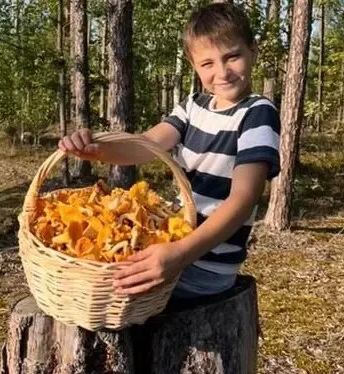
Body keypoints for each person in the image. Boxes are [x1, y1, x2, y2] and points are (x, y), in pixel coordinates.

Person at [58, 3, 280, 299]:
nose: (222, 72)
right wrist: (96, 149)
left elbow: (243, 199)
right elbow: (145, 146)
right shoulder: (193, 106)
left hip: (205, 265)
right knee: (85, 268)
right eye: (208, 63)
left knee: (101, 294)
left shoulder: (257, 113)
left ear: (253, 51)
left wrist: (180, 255)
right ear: (194, 65)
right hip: (174, 243)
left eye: (233, 56)